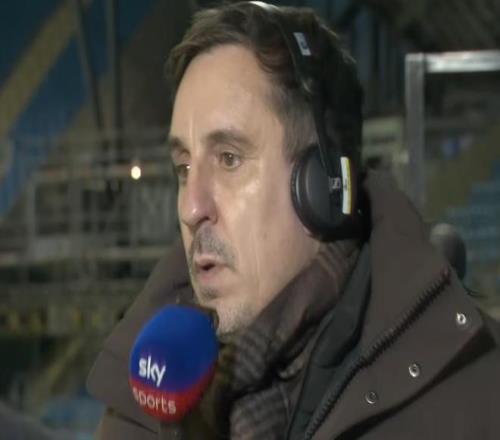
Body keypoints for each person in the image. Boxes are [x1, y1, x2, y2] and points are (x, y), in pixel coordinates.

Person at [87, 2, 500, 439]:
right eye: (184, 167)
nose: (191, 208)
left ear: (323, 187)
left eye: (229, 159)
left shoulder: (480, 398)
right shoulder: (142, 407)